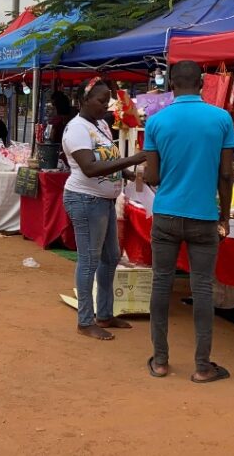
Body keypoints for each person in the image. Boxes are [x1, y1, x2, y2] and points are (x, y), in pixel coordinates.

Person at [143, 60, 234, 383]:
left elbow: (151, 175)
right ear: (202, 84)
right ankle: (202, 365)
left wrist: (171, 184)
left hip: (166, 214)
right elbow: (226, 174)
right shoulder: (221, 119)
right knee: (202, 288)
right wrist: (224, 216)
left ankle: (161, 360)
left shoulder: (156, 122)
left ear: (171, 83)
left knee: (161, 284)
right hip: (204, 216)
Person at [62, 78, 146, 341]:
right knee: (89, 261)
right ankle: (85, 320)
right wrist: (131, 159)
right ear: (83, 101)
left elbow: (110, 160)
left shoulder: (100, 126)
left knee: (111, 257)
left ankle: (105, 313)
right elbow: (89, 167)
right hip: (85, 199)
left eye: (107, 100)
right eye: (100, 100)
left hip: (105, 200)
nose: (105, 106)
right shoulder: (76, 129)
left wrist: (131, 174)